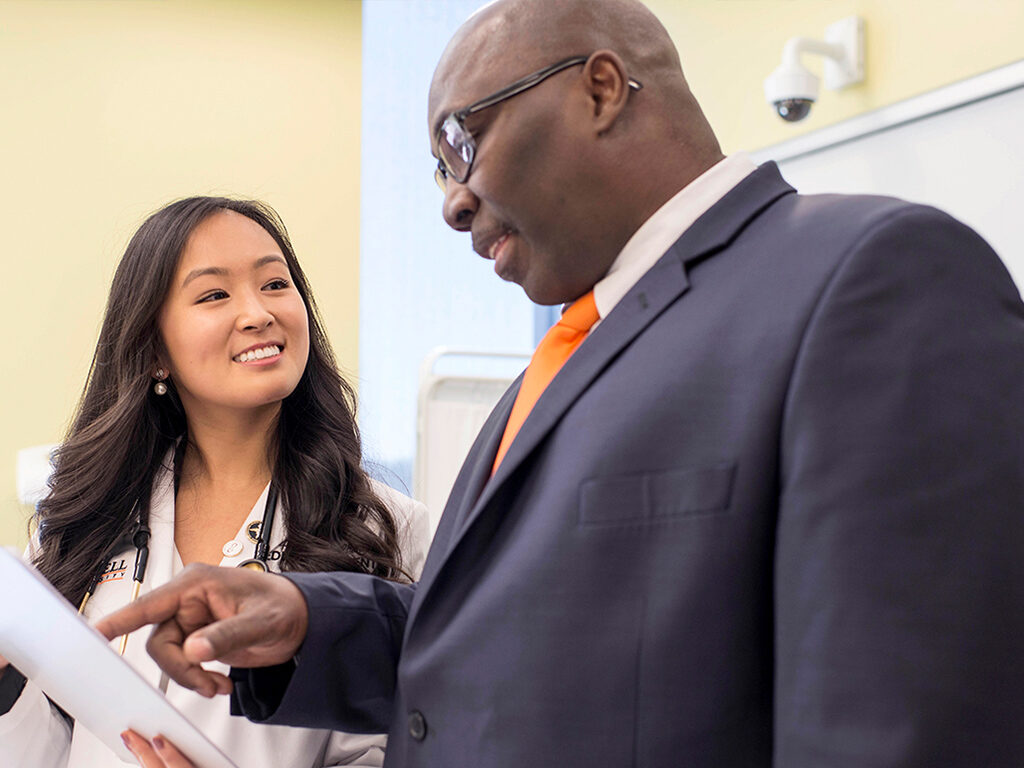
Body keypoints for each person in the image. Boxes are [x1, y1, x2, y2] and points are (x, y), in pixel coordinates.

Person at [98, 0, 1024, 765]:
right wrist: (307, 618)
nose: (452, 199)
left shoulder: (870, 277)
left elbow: (903, 723)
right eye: (435, 169)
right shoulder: (566, 360)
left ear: (602, 88)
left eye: (464, 140)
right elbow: (519, 643)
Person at [0, 197, 431, 767]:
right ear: (155, 351)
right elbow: (40, 746)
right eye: (214, 295)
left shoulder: (387, 528)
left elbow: (406, 750)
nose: (257, 313)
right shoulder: (84, 521)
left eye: (275, 284)